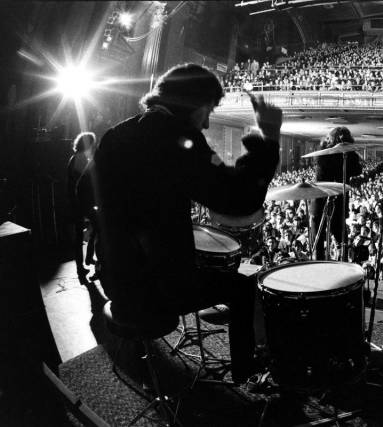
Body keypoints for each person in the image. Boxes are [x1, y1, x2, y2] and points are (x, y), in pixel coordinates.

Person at [81, 63, 281, 383]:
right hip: (154, 290)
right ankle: (248, 371)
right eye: (208, 111)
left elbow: (83, 192)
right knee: (243, 285)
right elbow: (237, 200)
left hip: (116, 280)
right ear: (193, 104)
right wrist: (269, 139)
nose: (206, 123)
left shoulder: (118, 132)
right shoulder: (176, 137)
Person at [310, 127, 362, 260]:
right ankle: (341, 256)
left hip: (323, 197)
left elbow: (319, 177)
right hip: (333, 197)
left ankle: (321, 257)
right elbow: (357, 171)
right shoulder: (347, 156)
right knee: (338, 234)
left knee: (321, 236)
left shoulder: (324, 154)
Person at [67, 131, 97, 284]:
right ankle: (84, 263)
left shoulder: (75, 157)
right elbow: (83, 183)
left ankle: (84, 263)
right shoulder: (80, 159)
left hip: (76, 204)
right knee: (93, 228)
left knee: (80, 236)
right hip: (80, 204)